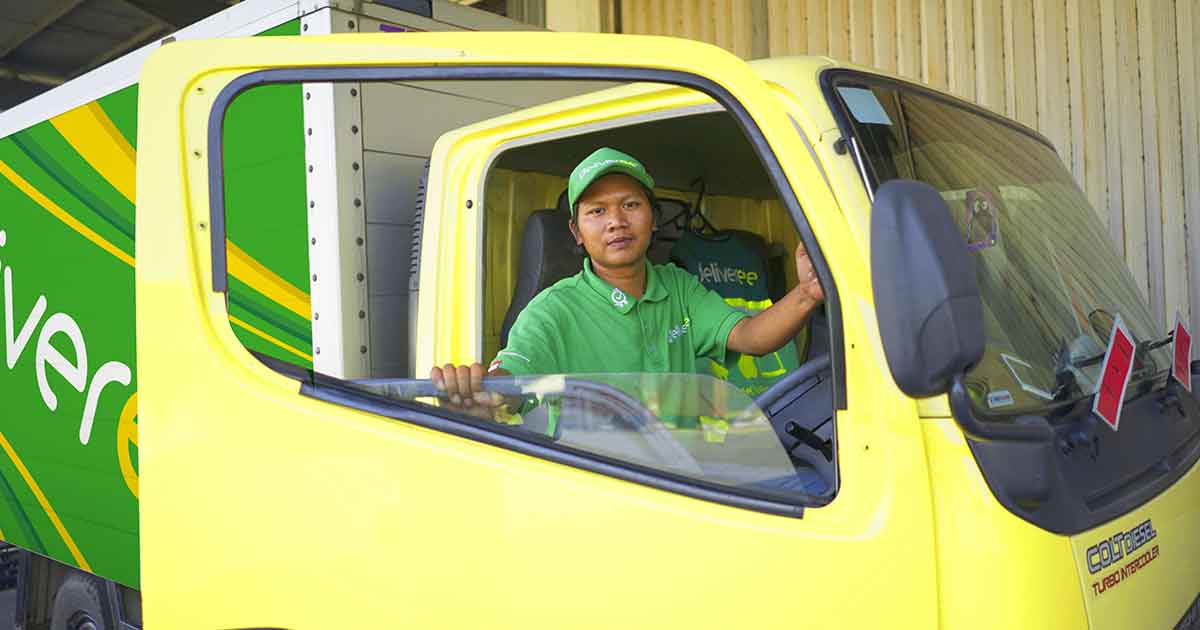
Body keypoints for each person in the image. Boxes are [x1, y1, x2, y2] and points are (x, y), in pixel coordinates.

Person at [431, 147, 824, 415]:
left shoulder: (679, 288)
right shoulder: (552, 311)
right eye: (597, 211)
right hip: (604, 491)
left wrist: (807, 292)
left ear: (653, 219)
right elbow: (511, 381)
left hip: (684, 481)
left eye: (630, 205)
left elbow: (752, 337)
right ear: (576, 232)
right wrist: (480, 393)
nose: (616, 221)